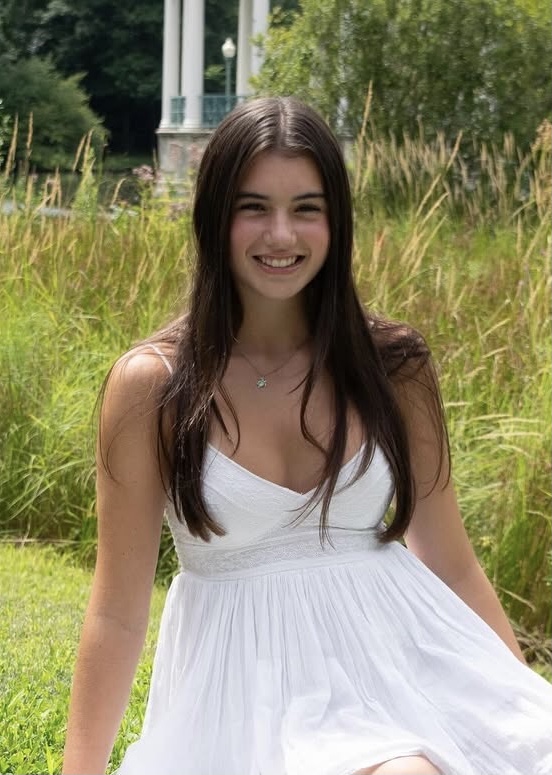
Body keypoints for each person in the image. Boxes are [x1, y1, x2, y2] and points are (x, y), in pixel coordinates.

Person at [62, 97, 552, 775]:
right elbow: (117, 613)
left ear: (336, 220)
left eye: (306, 208)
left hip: (402, 665)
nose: (281, 234)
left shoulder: (393, 366)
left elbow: (452, 563)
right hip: (245, 692)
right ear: (214, 215)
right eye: (254, 207)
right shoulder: (154, 385)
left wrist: (522, 705)